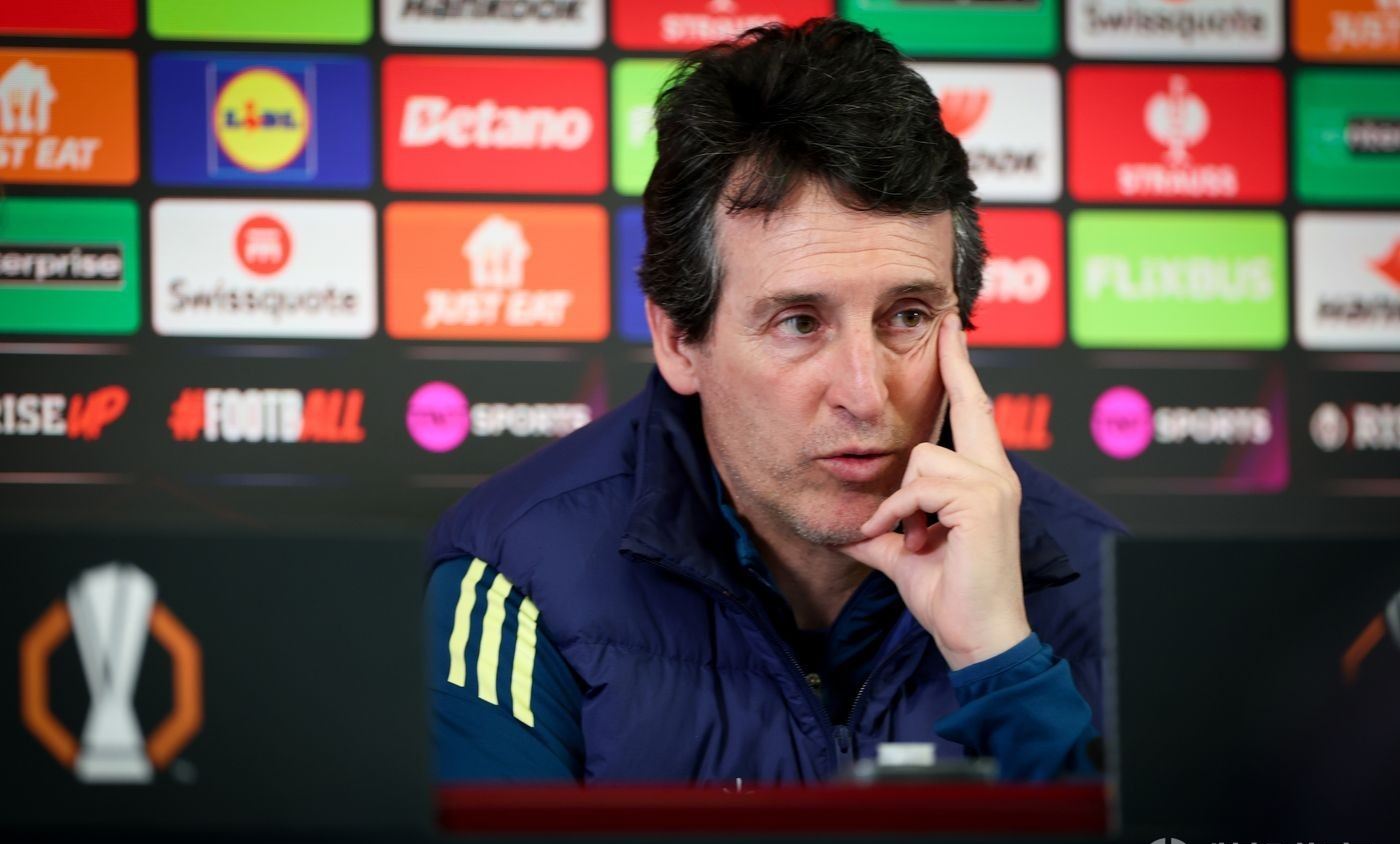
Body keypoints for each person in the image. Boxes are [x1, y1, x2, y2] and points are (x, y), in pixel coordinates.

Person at [424, 18, 1126, 784]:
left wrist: (1000, 659)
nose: (865, 394)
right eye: (799, 323)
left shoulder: (1112, 589)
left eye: (907, 316)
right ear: (679, 341)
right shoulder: (514, 583)